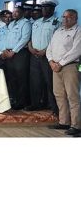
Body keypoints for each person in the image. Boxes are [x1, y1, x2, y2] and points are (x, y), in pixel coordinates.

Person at [46, 9, 81, 137]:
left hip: (70, 66)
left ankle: (76, 125)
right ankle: (64, 122)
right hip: (55, 67)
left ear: (75, 19)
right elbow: (49, 48)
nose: (65, 19)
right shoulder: (58, 31)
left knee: (72, 96)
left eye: (69, 17)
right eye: (64, 17)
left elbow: (76, 50)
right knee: (59, 95)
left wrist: (60, 64)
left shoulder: (78, 31)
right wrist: (51, 62)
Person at [28, 0, 61, 112]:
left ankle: (54, 107)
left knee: (50, 82)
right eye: (43, 7)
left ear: (53, 9)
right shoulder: (36, 22)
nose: (45, 10)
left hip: (48, 57)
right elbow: (31, 38)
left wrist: (45, 51)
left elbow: (57, 41)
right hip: (34, 55)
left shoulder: (57, 22)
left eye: (48, 8)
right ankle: (36, 104)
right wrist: (31, 48)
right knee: (35, 81)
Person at [0, 6, 32, 110]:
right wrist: (4, 50)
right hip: (9, 53)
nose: (14, 14)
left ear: (22, 13)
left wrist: (13, 51)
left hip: (20, 53)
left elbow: (24, 39)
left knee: (21, 78)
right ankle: (13, 99)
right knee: (12, 78)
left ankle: (22, 102)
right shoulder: (12, 24)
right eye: (13, 12)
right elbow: (6, 38)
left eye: (17, 12)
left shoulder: (26, 23)